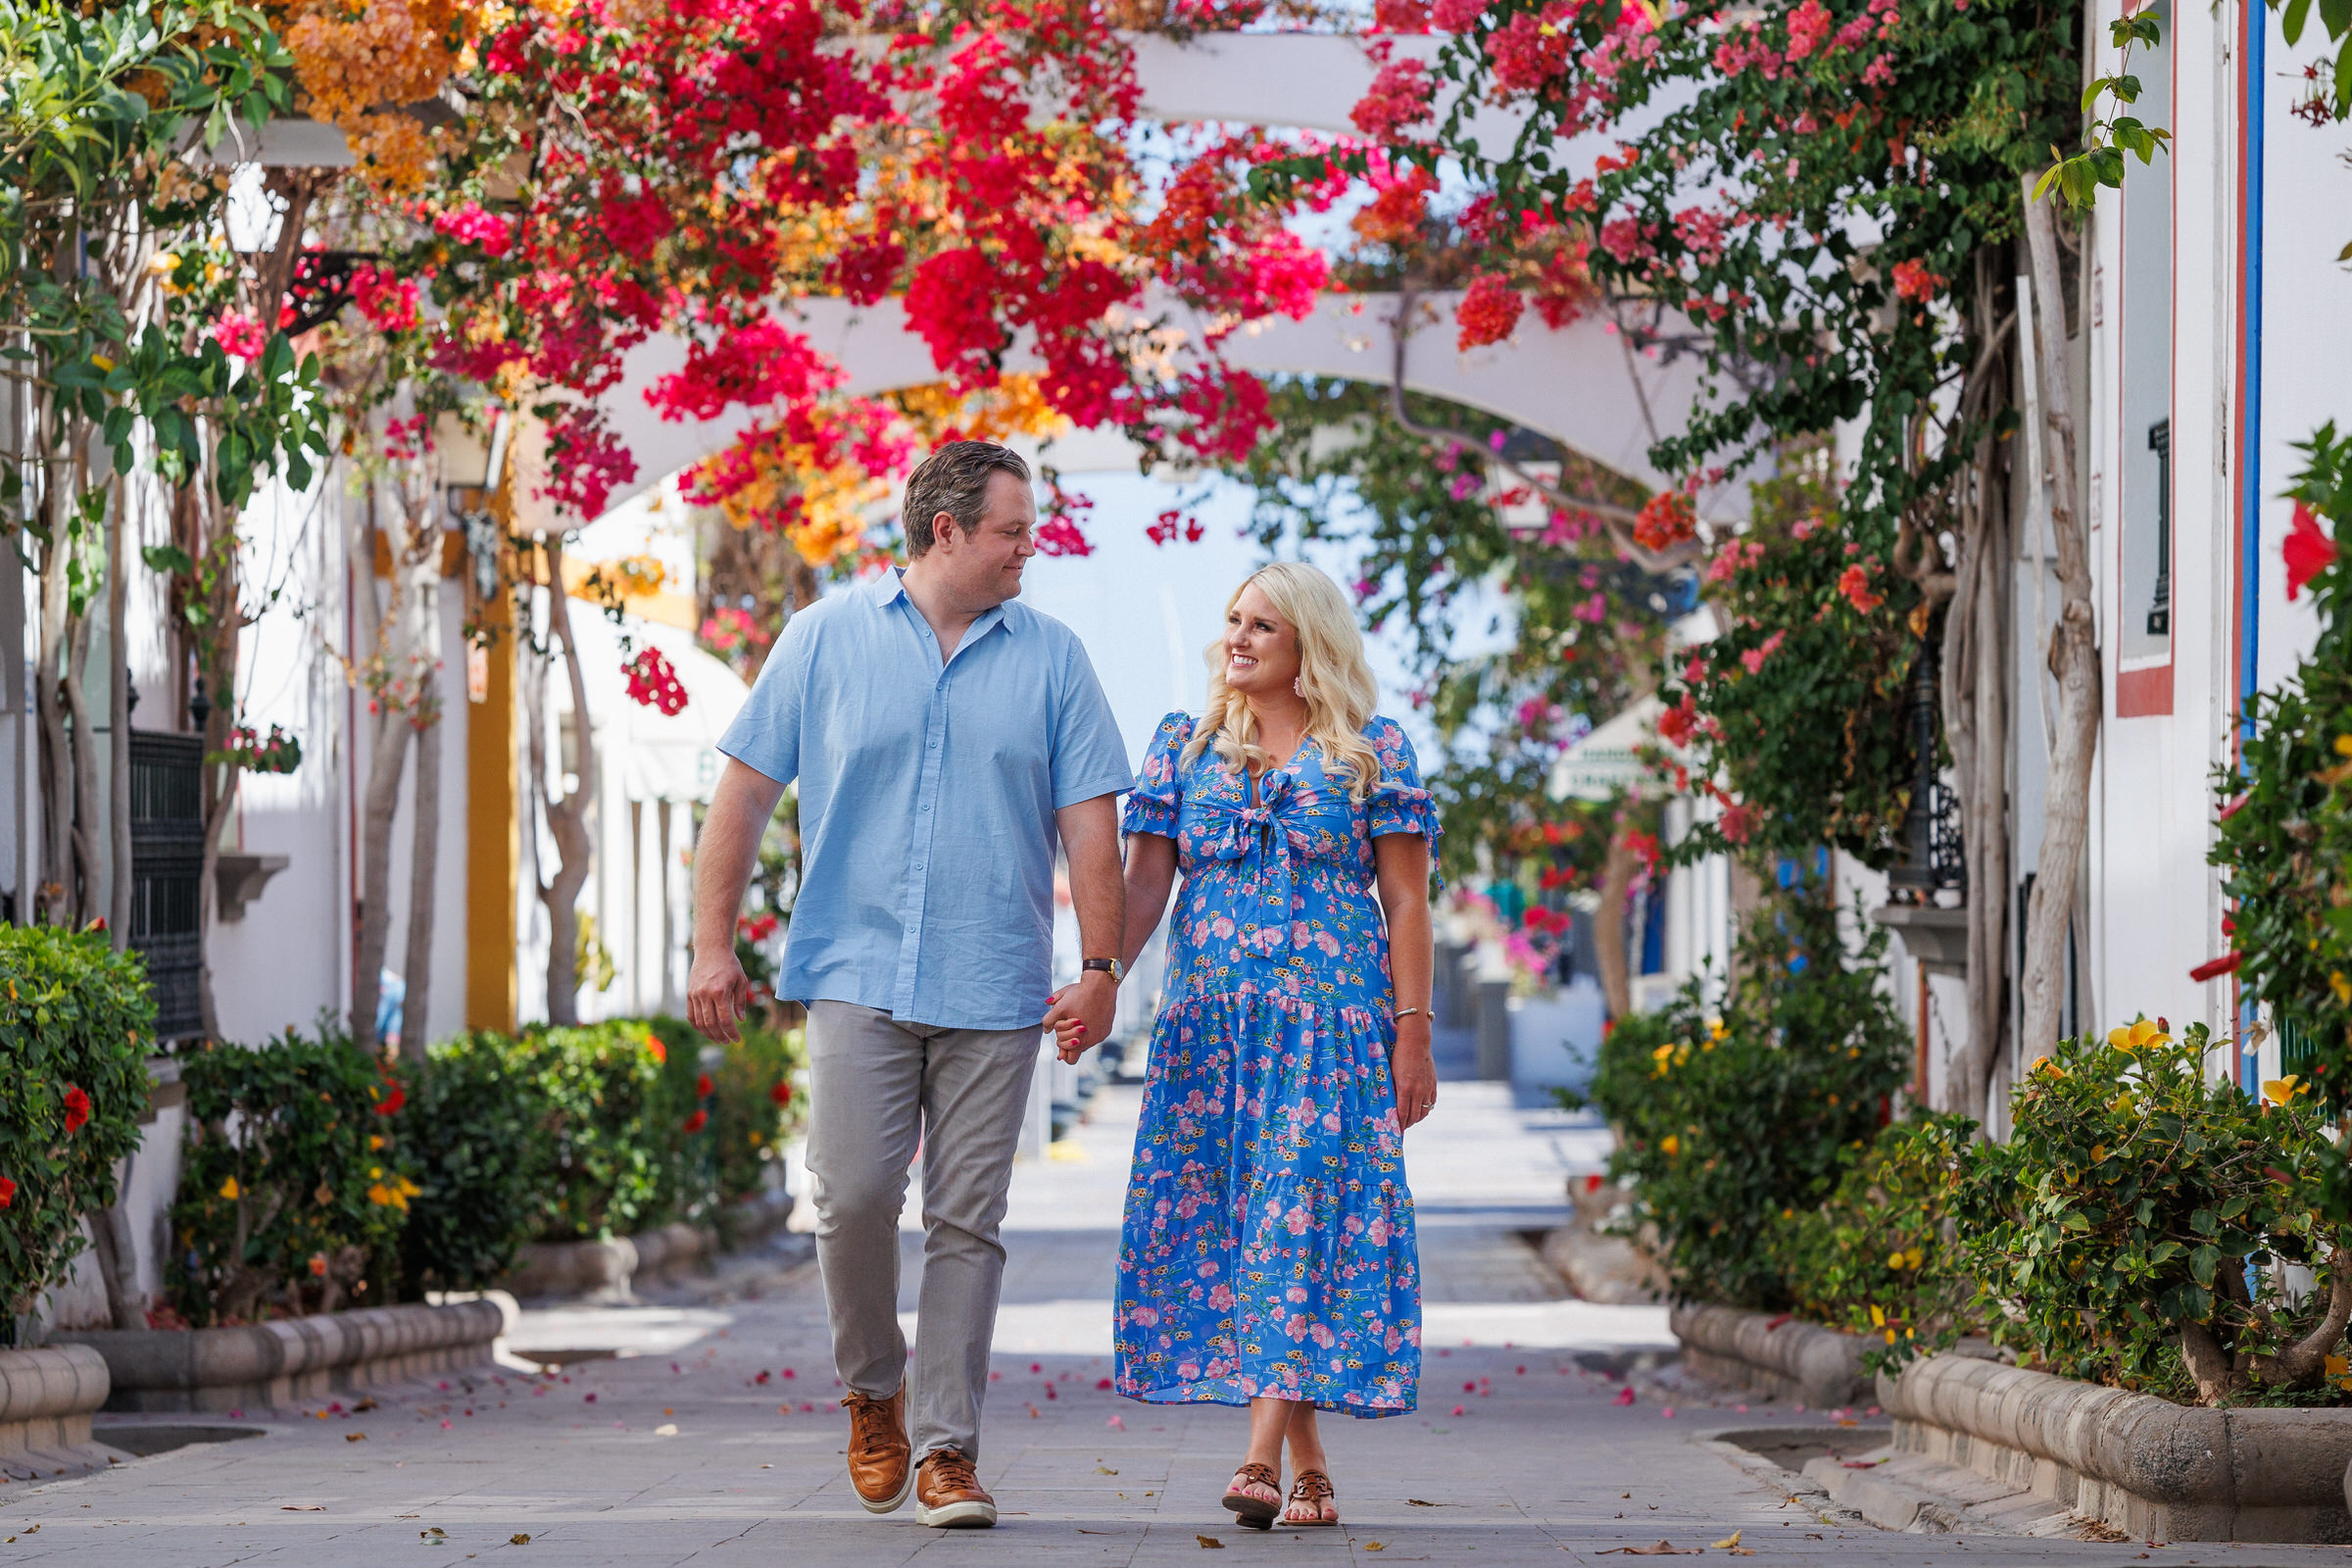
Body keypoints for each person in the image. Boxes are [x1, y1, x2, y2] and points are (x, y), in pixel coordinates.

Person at [686, 441, 1132, 1530]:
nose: (1032, 547)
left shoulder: (1056, 660)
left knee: (969, 1219)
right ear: (947, 531)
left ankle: (946, 1450)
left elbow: (1092, 829)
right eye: (1013, 530)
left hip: (995, 979)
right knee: (848, 1199)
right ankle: (871, 1386)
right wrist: (712, 946)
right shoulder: (823, 639)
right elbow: (739, 799)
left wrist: (1103, 969)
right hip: (853, 968)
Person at [1071, 560, 1439, 1531]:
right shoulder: (1184, 750)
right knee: (1249, 1226)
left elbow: (1406, 899)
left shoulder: (1372, 751)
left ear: (1307, 643)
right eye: (1232, 620)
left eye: (1261, 626)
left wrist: (1415, 1031)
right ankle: (1311, 1455)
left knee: (1300, 1216)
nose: (1236, 638)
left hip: (1334, 1031)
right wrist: (1101, 975)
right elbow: (1145, 885)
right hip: (1212, 1031)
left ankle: (1258, 1459)